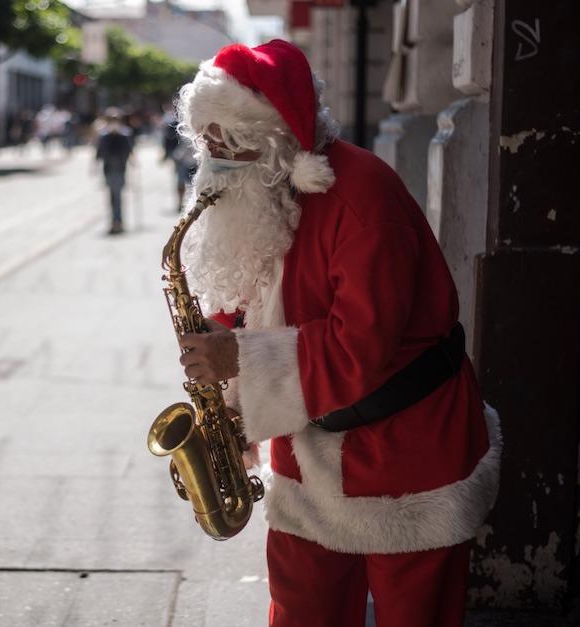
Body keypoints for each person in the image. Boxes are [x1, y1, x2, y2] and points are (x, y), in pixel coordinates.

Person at [171, 40, 500, 627]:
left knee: (412, 615)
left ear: (274, 137)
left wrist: (238, 361)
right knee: (300, 612)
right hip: (306, 450)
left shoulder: (361, 196)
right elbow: (244, 293)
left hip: (407, 450)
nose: (212, 150)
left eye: (227, 135)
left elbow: (360, 349)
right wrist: (225, 403)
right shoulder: (257, 187)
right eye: (206, 134)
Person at [95, 108, 133, 235]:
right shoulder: (103, 135)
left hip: (120, 169)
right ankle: (115, 221)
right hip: (108, 168)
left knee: (117, 196)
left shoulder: (125, 134)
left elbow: (129, 150)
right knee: (112, 196)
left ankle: (117, 221)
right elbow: (99, 152)